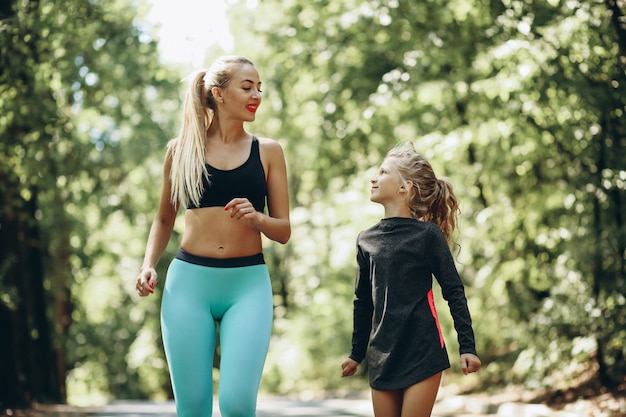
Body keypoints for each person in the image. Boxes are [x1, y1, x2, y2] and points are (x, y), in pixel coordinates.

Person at [135, 55, 290, 417]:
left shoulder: (268, 151)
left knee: (237, 404)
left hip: (247, 284)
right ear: (218, 94)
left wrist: (258, 218)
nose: (257, 95)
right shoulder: (180, 150)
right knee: (193, 409)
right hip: (189, 285)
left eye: (259, 88)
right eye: (247, 87)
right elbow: (163, 218)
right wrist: (148, 265)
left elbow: (283, 230)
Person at [341, 143, 481, 417]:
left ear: (405, 188)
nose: (374, 178)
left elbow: (453, 291)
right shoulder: (365, 240)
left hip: (423, 351)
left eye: (383, 172)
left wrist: (468, 346)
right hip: (382, 355)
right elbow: (363, 302)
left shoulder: (427, 236)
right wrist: (357, 353)